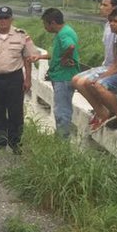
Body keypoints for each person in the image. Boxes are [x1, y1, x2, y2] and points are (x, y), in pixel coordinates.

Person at [0, 6, 41, 154]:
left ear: (11, 19)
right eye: (0, 18)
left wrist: (28, 79)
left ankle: (15, 143)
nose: (3, 21)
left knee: (15, 112)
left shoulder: (21, 36)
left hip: (14, 79)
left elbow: (27, 59)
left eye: (6, 18)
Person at [72, 0, 117, 93]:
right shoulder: (108, 25)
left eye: (105, 5)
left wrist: (106, 73)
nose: (101, 7)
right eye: (101, 4)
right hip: (105, 66)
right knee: (75, 80)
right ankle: (98, 108)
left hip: (113, 69)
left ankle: (101, 109)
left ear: (115, 8)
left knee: (83, 82)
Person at [41, 8, 80, 138]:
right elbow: (59, 53)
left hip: (63, 77)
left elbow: (70, 47)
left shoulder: (63, 34)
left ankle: (62, 140)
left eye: (45, 24)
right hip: (61, 75)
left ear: (52, 23)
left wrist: (64, 59)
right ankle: (61, 137)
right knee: (62, 108)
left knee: (62, 110)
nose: (45, 28)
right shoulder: (66, 31)